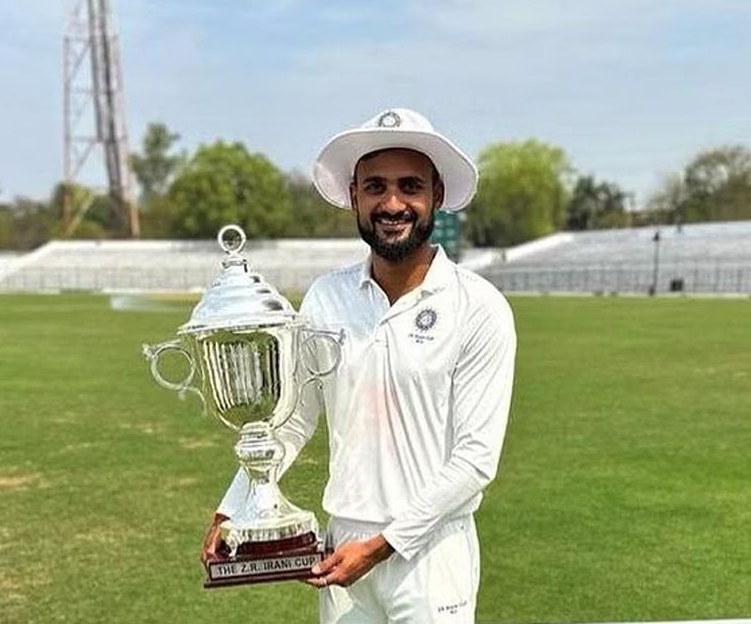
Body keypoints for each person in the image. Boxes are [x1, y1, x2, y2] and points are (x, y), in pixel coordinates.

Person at [201, 108, 517, 623]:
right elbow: (292, 419)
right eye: (375, 187)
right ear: (354, 196)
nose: (392, 204)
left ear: (436, 194)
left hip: (432, 552)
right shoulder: (326, 298)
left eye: (410, 186)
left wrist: (381, 546)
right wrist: (233, 508)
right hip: (343, 542)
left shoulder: (478, 306)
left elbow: (476, 459)